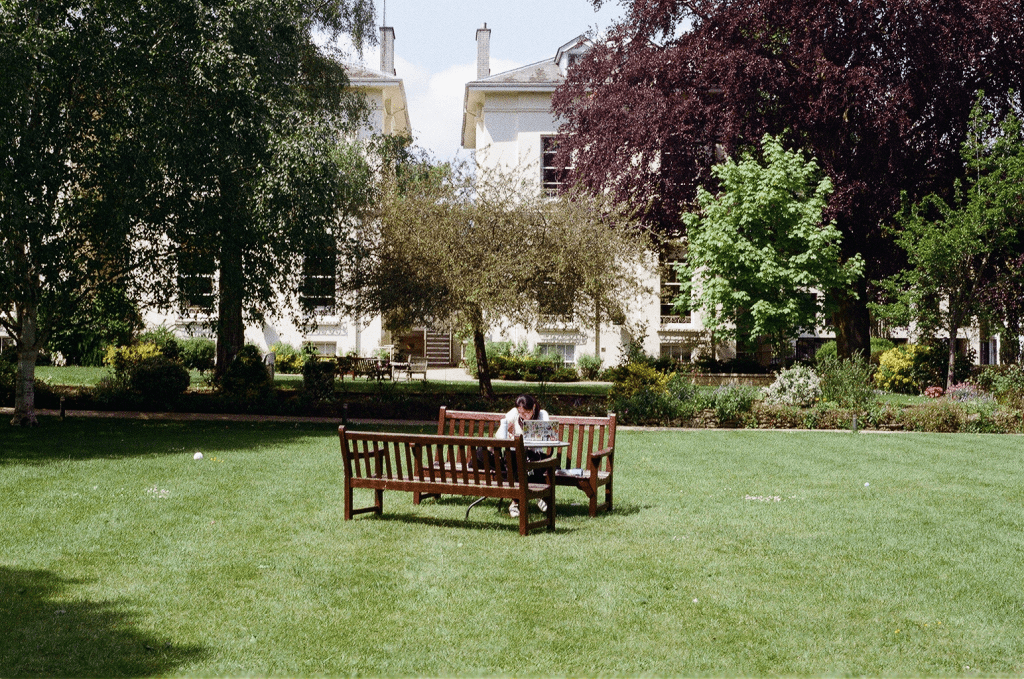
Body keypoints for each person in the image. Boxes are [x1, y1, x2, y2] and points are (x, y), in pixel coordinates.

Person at [496, 394, 552, 518]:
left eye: (527, 412)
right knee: (516, 462)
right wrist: (507, 432)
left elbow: (548, 437)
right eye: (521, 413)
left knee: (523, 465)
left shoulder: (542, 415)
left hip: (534, 455)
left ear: (533, 407)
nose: (523, 416)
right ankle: (536, 497)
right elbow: (498, 435)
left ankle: (515, 503)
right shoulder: (514, 413)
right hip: (516, 455)